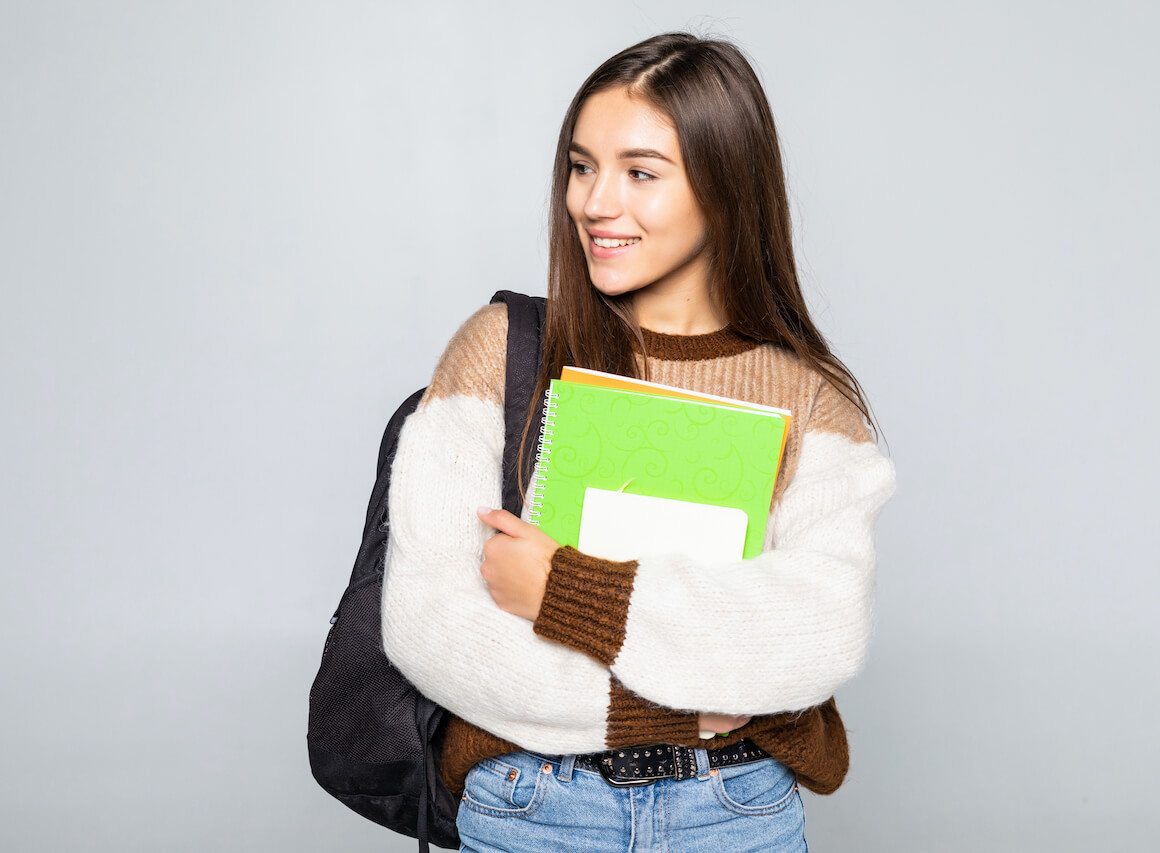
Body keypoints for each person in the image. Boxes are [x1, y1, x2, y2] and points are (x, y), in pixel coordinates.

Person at [380, 32, 896, 852]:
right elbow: (429, 622)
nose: (593, 202)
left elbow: (818, 629)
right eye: (582, 167)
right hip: (532, 809)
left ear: (726, 187)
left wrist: (565, 589)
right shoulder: (499, 352)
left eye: (640, 173)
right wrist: (676, 703)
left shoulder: (813, 399)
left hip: (736, 814)